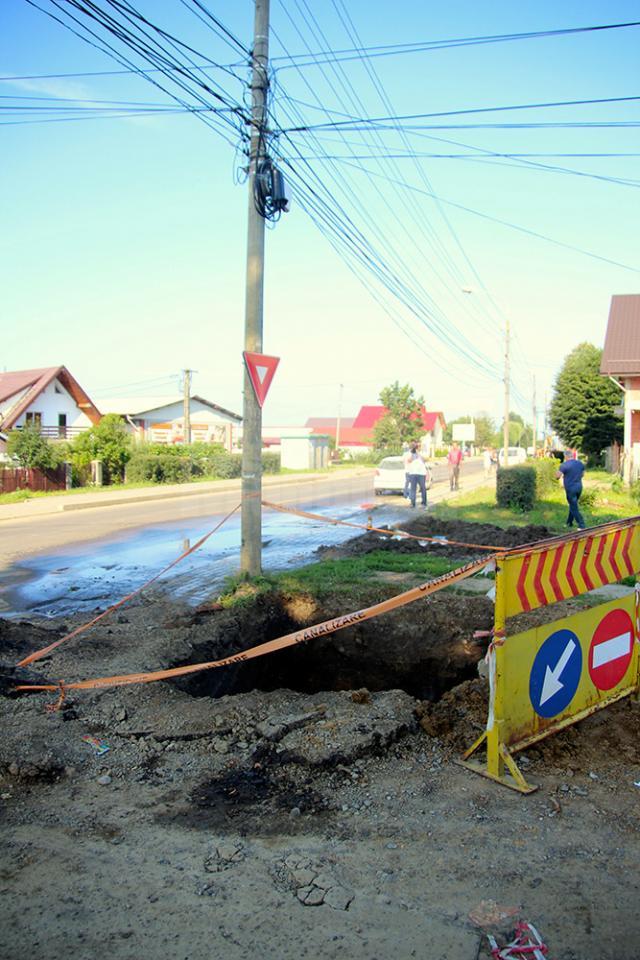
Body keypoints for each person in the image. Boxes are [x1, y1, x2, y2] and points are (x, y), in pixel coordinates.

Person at [556, 455, 586, 529]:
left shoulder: (564, 465)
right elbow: (582, 475)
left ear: (565, 456)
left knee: (573, 507)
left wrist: (558, 473)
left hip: (570, 488)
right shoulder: (580, 463)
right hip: (579, 487)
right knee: (573, 505)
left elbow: (557, 476)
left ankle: (581, 525)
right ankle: (569, 523)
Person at [406, 442, 428, 508]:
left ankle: (424, 502)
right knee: (413, 488)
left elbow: (426, 459)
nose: (417, 447)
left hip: (421, 473)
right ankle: (413, 503)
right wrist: (413, 456)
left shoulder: (423, 452)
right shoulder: (410, 453)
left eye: (418, 446)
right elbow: (408, 461)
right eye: (416, 446)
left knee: (423, 488)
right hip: (413, 473)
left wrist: (419, 454)